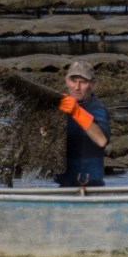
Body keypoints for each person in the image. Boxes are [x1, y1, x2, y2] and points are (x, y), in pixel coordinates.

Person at [54, 59, 110, 187]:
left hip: (90, 186)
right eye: (73, 81)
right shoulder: (59, 107)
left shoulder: (97, 109)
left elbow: (102, 140)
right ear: (66, 81)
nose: (77, 87)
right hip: (64, 186)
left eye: (83, 82)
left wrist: (76, 111)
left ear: (92, 84)